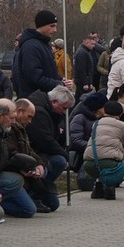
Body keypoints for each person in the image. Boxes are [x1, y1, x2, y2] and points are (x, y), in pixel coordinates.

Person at [26, 84, 75, 212]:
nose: (65, 112)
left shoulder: (50, 111)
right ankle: (34, 195)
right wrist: (65, 155)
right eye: (64, 108)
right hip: (34, 154)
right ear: (54, 101)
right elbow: (45, 141)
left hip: (39, 152)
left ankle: (41, 191)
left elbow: (54, 137)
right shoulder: (39, 111)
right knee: (59, 161)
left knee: (53, 204)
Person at [15, 10, 73, 98]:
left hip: (45, 98)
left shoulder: (44, 45)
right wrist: (59, 84)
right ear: (42, 25)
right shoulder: (31, 46)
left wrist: (61, 81)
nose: (55, 30)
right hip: (35, 100)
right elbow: (33, 77)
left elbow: (48, 72)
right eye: (52, 26)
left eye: (55, 26)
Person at [73, 34, 97, 100]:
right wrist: (85, 83)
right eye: (92, 44)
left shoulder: (85, 51)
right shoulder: (82, 53)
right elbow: (81, 69)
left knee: (79, 98)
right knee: (80, 99)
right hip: (82, 83)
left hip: (84, 82)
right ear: (87, 42)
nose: (93, 46)